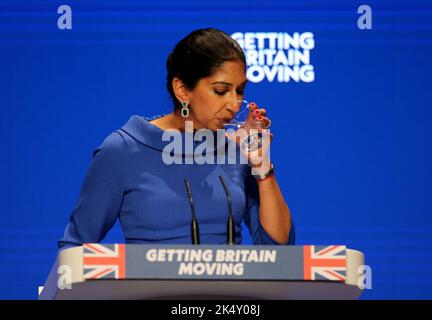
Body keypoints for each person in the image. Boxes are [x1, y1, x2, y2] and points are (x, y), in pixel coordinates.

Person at [58, 28, 295, 249]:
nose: (234, 104)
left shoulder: (234, 149)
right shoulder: (124, 149)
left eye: (240, 91)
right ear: (182, 90)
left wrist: (261, 164)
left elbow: (278, 249)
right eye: (221, 91)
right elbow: (75, 249)